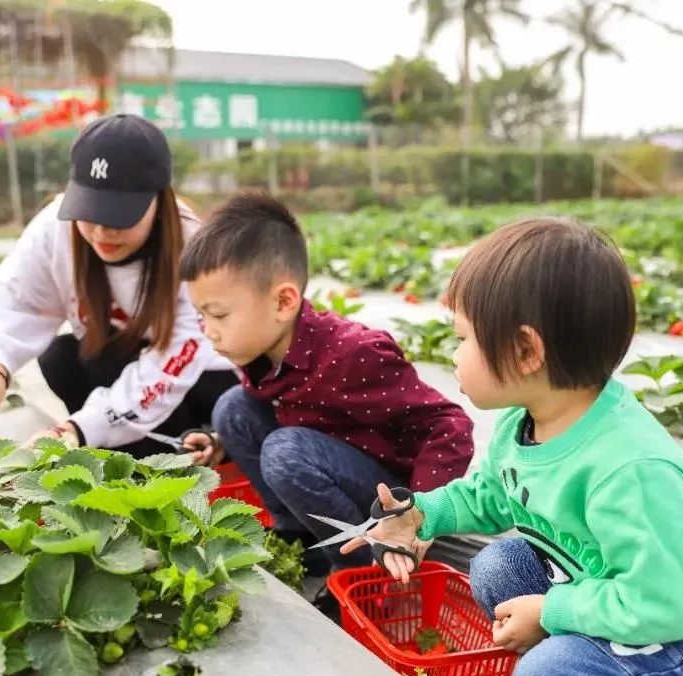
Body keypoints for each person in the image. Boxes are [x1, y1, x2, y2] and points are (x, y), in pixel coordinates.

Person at [346, 218, 683, 676]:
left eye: (462, 337)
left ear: (527, 351)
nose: (454, 354)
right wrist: (419, 516)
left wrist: (551, 613)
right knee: (498, 568)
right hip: (624, 588)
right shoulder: (525, 422)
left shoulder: (629, 469)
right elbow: (490, 492)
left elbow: (671, 605)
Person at [178, 193, 474, 570]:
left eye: (218, 314)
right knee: (232, 409)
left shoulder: (354, 355)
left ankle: (360, 562)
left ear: (284, 302)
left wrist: (416, 514)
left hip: (387, 490)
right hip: (325, 459)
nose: (208, 331)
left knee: (284, 452)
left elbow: (452, 425)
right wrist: (222, 444)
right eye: (201, 315)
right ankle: (299, 535)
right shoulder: (261, 349)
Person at [0, 114, 237, 455]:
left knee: (212, 400)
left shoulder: (193, 246)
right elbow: (10, 298)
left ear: (158, 199)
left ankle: (190, 452)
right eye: (90, 211)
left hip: (203, 383)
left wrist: (76, 429)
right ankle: (121, 452)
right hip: (132, 373)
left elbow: (174, 360)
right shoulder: (56, 228)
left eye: (119, 215)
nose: (102, 231)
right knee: (62, 357)